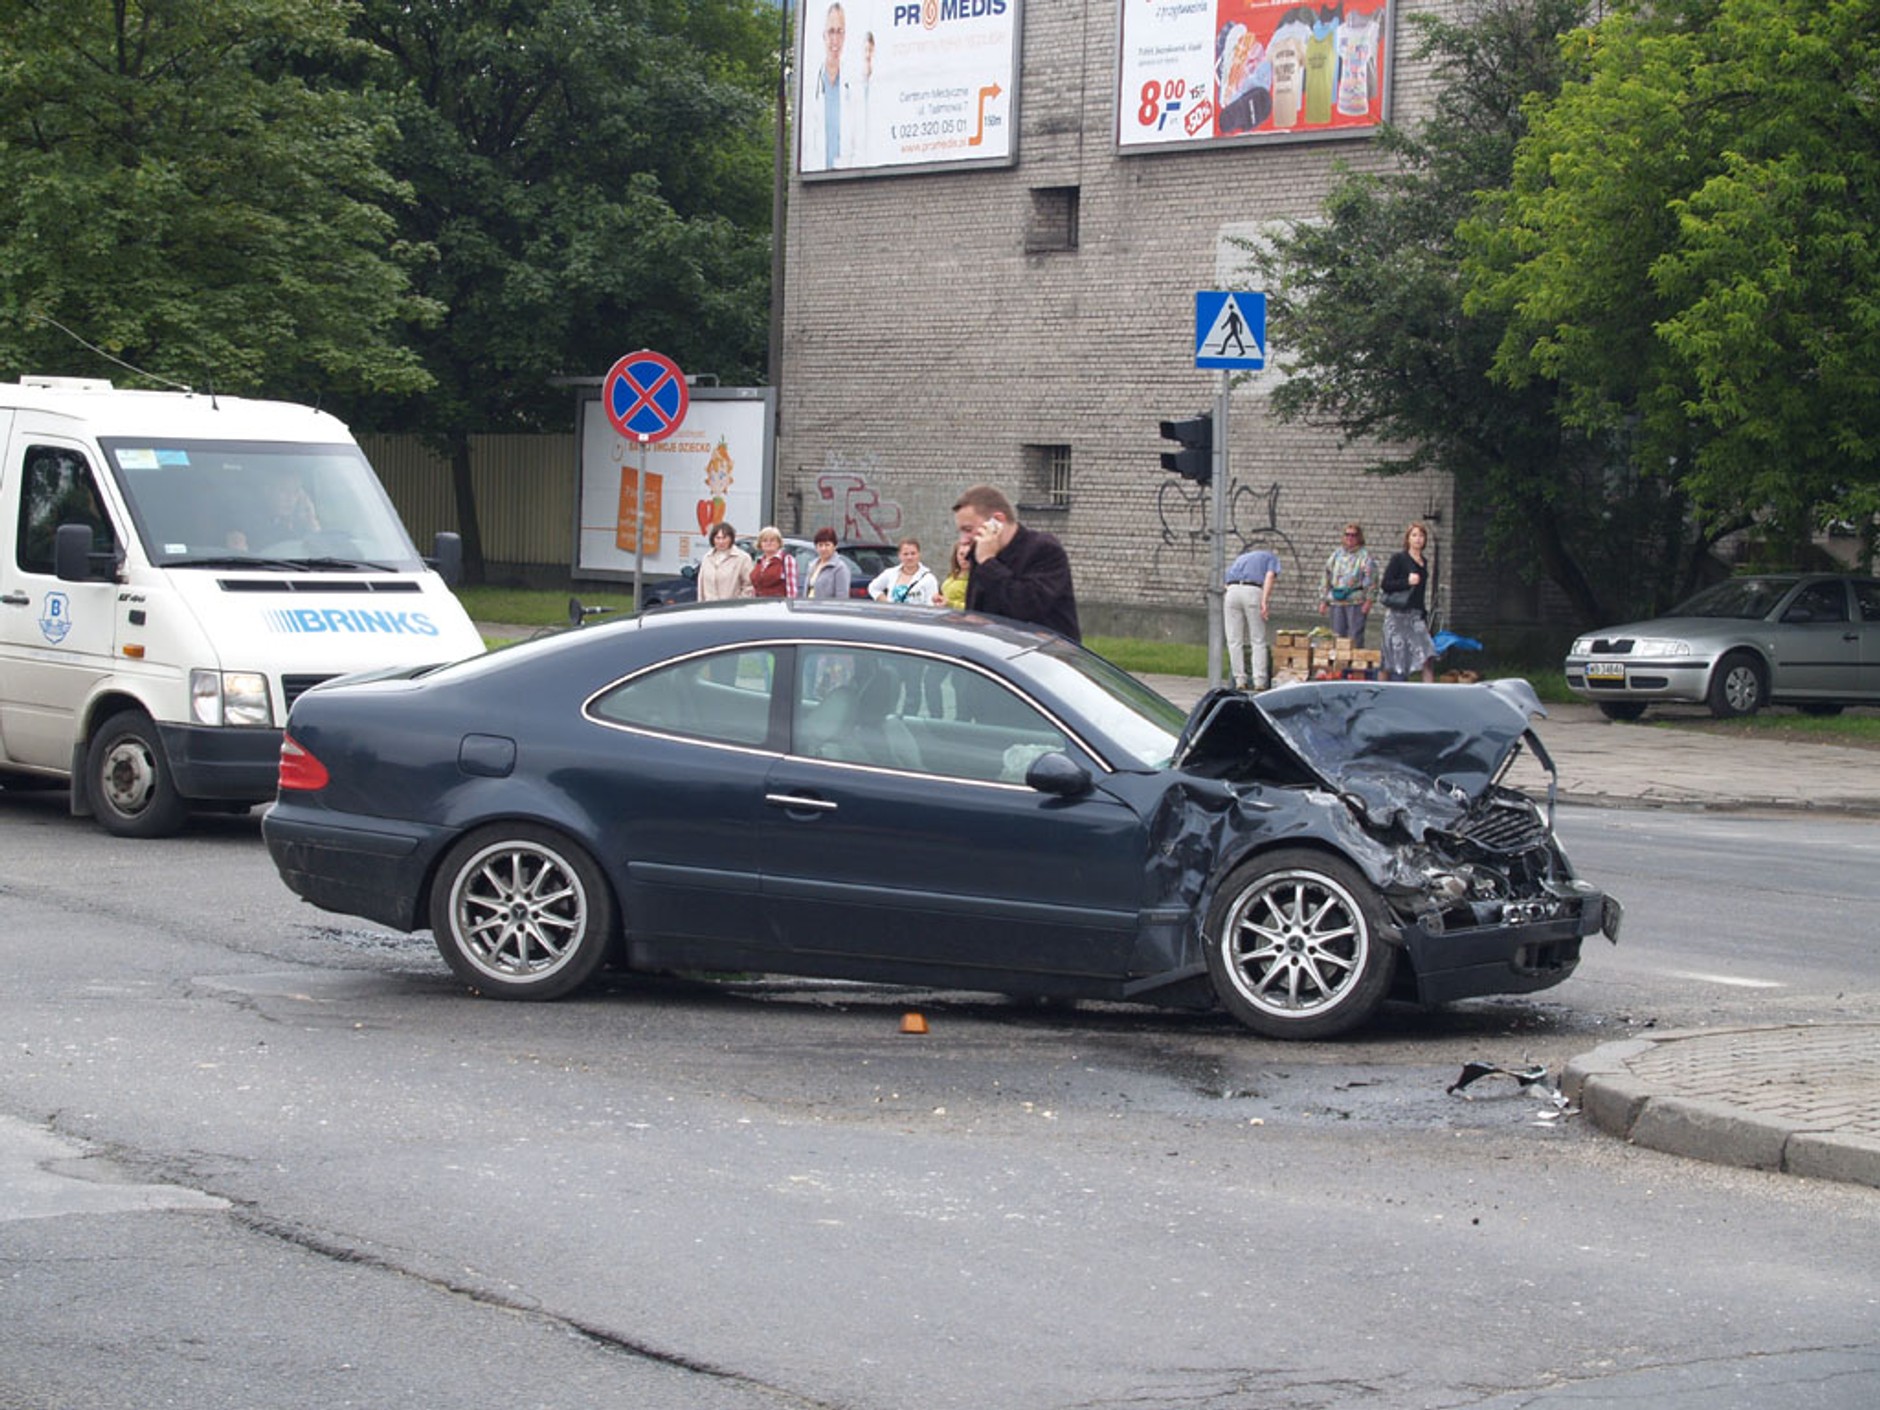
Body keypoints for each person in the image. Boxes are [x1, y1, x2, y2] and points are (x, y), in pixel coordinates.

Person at [952, 484, 1080, 641]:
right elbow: (976, 614)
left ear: (997, 520)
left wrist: (988, 562)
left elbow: (1026, 607)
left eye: (968, 529)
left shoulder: (1044, 549)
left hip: (1046, 653)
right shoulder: (979, 554)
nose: (963, 540)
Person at [1380, 521, 1438, 682]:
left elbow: (1420, 593)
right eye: (1414, 535)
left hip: (1415, 615)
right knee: (1390, 658)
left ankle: (1430, 692)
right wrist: (1407, 582)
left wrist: (1423, 615)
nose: (1418, 539)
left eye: (1421, 535)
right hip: (1397, 614)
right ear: (1408, 539)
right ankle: (1380, 689)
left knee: (1427, 654)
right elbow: (1386, 584)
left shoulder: (1424, 562)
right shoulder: (1399, 559)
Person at [801, 3, 856, 171]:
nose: (835, 40)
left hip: (848, 175)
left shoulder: (853, 85)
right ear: (824, 35)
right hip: (817, 175)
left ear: (845, 36)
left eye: (840, 32)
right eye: (831, 31)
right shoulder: (811, 87)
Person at [1223, 546, 1281, 691]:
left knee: (1234, 640)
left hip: (1232, 591)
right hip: (1253, 591)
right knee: (1258, 639)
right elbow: (1269, 576)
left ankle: (1239, 680)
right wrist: (1264, 601)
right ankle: (1259, 681)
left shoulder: (1241, 559)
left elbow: (1226, 581)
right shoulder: (1271, 558)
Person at [228, 466, 318, 551]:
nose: (290, 499)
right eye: (283, 491)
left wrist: (311, 519)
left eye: (295, 492)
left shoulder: (301, 524)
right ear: (267, 491)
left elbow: (320, 550)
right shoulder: (248, 524)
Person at [1319, 522, 1378, 647]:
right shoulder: (1336, 555)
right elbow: (1326, 576)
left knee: (1354, 637)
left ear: (1359, 537)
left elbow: (1372, 580)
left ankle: (1355, 659)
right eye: (1347, 534)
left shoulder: (1365, 556)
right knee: (1336, 637)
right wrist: (1324, 600)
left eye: (1353, 535)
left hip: (1356, 602)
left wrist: (1369, 601)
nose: (1350, 538)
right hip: (1336, 601)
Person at [867, 537, 939, 604]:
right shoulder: (890, 573)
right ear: (899, 555)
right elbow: (873, 587)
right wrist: (886, 603)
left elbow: (931, 605)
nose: (909, 557)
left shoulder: (929, 579)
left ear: (919, 554)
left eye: (913, 553)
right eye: (905, 554)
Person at [696, 522, 754, 601]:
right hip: (709, 606)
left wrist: (737, 604)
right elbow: (701, 586)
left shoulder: (742, 558)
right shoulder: (707, 557)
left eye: (724, 538)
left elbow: (749, 586)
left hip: (731, 607)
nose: (721, 542)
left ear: (731, 538)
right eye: (718, 538)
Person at [803, 526, 852, 600]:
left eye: (827, 545)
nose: (823, 548)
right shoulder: (812, 565)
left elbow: (842, 598)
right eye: (820, 545)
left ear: (834, 546)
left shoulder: (840, 568)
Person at [750, 525, 798, 598]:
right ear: (760, 544)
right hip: (759, 603)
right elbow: (755, 588)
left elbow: (792, 589)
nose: (768, 543)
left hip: (778, 603)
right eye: (765, 541)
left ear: (779, 543)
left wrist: (790, 603)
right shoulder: (759, 561)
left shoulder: (787, 559)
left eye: (772, 540)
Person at [938, 539, 971, 609]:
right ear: (956, 555)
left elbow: (974, 607)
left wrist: (950, 604)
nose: (964, 558)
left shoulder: (976, 579)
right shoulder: (954, 574)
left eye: (968, 555)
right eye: (961, 554)